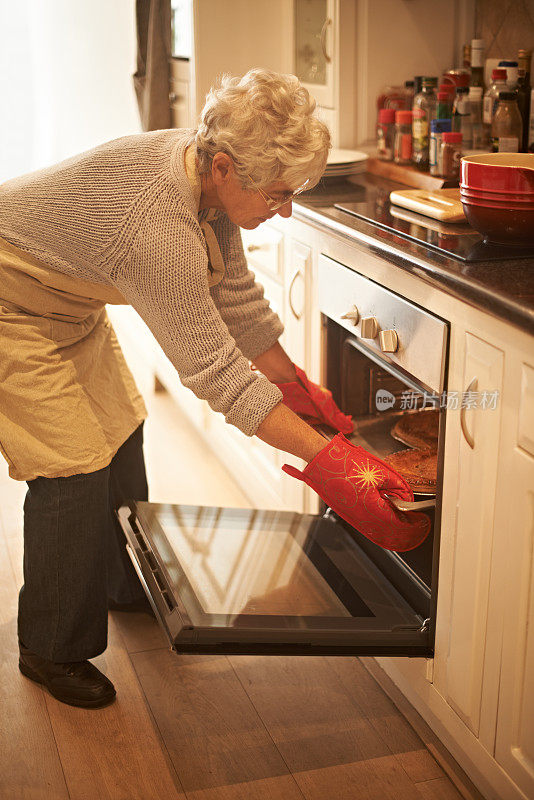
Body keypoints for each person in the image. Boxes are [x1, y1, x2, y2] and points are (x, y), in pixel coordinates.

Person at [0, 68, 428, 710]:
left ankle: (120, 582)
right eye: (280, 194)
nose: (284, 208)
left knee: (119, 431)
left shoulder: (202, 177)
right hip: (11, 304)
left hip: (69, 305)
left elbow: (236, 301)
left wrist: (298, 387)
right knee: (72, 465)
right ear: (225, 167)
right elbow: (216, 373)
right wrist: (332, 460)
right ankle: (51, 648)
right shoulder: (158, 227)